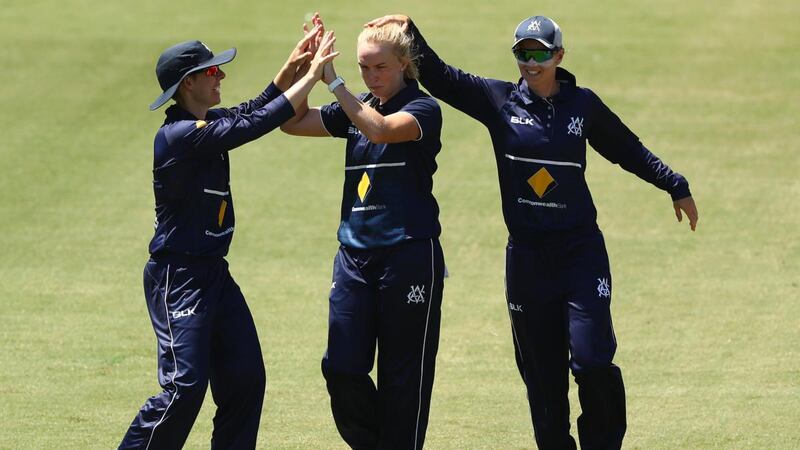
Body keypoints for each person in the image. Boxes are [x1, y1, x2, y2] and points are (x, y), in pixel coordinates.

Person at [366, 14, 699, 450]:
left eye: (541, 52)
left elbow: (626, 147)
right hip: (526, 259)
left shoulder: (583, 105)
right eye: (523, 52)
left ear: (559, 55)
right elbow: (444, 79)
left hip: (580, 253)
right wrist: (410, 30)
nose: (532, 62)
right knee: (542, 379)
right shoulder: (497, 100)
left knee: (593, 360)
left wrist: (674, 183)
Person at [118, 30, 338, 449]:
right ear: (188, 83)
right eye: (213, 71)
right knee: (184, 387)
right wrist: (311, 77)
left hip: (213, 275)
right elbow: (255, 124)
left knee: (244, 379)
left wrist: (293, 66)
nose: (221, 77)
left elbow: (251, 109)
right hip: (177, 276)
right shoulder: (180, 136)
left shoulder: (204, 125)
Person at [280, 14, 445, 450]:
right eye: (363, 68)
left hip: (409, 254)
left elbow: (380, 129)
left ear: (404, 63)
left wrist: (335, 84)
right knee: (342, 367)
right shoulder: (355, 108)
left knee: (401, 376)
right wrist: (307, 68)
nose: (371, 77)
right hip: (353, 257)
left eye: (380, 67)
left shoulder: (423, 108)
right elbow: (292, 122)